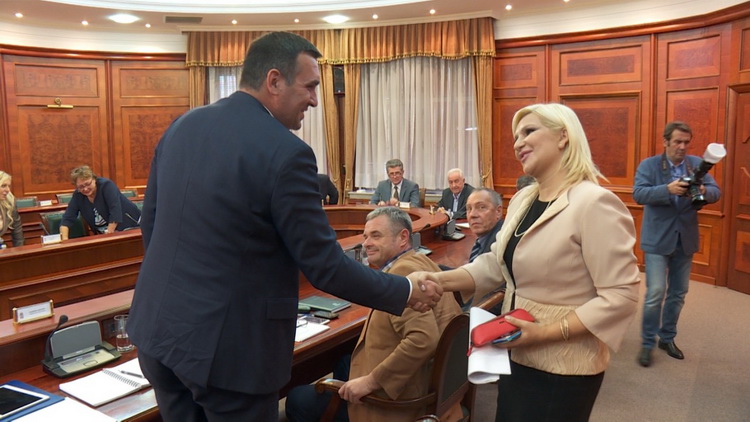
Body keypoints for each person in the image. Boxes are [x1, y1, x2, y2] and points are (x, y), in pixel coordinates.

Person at [126, 32, 441, 422]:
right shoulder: (287, 152)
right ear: (274, 81)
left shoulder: (182, 127)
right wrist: (404, 290)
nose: (314, 100)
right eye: (309, 86)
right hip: (230, 355)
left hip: (158, 334)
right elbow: (325, 267)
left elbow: (152, 224)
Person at [411, 103, 640, 422]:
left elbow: (621, 297)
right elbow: (497, 265)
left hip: (564, 367)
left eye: (529, 131)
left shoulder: (594, 202)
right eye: (516, 137)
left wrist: (544, 333)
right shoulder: (523, 199)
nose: (518, 143)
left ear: (563, 136)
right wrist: (438, 279)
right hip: (516, 349)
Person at [285, 207, 461, 422]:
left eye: (376, 236)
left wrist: (369, 383)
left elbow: (423, 340)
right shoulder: (421, 262)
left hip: (399, 403)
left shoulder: (403, 273)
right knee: (343, 362)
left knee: (296, 399)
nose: (367, 243)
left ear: (403, 237)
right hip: (429, 383)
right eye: (365, 236)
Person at [633, 121, 721, 367]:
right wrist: (667, 189)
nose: (682, 147)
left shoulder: (697, 164)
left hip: (685, 238)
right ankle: (647, 343)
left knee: (678, 293)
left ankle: (667, 338)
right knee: (655, 292)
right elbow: (638, 194)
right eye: (677, 142)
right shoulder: (649, 165)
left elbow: (716, 192)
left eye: (686, 142)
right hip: (657, 239)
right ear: (666, 142)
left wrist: (702, 189)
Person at [60, 165, 140, 240]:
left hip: (130, 227)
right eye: (81, 187)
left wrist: (108, 236)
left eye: (88, 184)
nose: (85, 189)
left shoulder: (106, 186)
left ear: (94, 179)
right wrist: (65, 240)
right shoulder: (78, 195)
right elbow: (67, 218)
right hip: (104, 233)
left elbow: (115, 212)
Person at [0, 171, 24, 248]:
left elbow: (17, 230)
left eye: (9, 186)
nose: (7, 190)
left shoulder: (9, 201)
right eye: (3, 186)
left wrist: (20, 251)